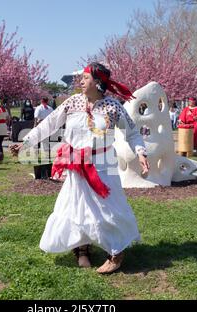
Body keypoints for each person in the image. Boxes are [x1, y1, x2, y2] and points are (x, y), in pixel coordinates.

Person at [10, 62, 150, 274]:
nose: (81, 81)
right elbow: (48, 124)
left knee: (108, 208)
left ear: (97, 82)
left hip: (103, 165)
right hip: (76, 166)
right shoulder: (72, 102)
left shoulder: (113, 107)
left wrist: (140, 152)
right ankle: (82, 249)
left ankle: (116, 252)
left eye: (85, 78)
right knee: (76, 207)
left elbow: (132, 133)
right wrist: (26, 142)